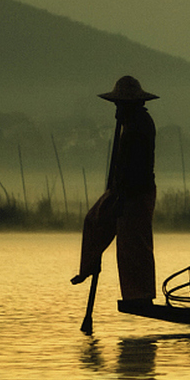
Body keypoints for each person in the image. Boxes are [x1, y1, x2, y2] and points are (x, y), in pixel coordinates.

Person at [73, 75, 158, 301]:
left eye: (119, 105)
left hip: (136, 193)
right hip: (123, 191)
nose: (116, 111)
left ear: (130, 105)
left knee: (133, 245)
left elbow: (135, 168)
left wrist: (122, 197)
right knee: (94, 221)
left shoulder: (139, 127)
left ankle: (141, 295)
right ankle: (89, 266)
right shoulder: (131, 123)